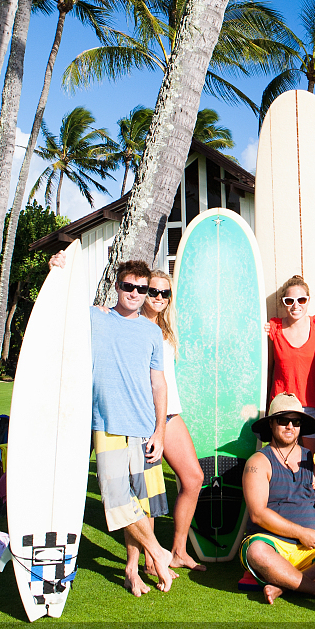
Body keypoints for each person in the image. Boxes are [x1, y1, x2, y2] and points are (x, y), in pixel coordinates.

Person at [52, 251, 175, 597]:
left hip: (143, 425)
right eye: (128, 286)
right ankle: (159, 553)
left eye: (141, 288)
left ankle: (132, 570)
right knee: (118, 500)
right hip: (106, 424)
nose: (135, 293)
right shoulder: (95, 317)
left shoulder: (152, 333)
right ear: (117, 286)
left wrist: (160, 432)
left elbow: (158, 384)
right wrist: (58, 268)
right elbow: (59, 306)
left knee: (140, 502)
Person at [241, 394, 315, 604]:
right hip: (272, 545)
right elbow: (257, 514)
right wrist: (301, 532)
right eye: (283, 420)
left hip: (310, 548)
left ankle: (285, 584)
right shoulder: (259, 461)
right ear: (271, 423)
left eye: (295, 421)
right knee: (256, 552)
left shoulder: (312, 460)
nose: (290, 426)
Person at [141, 270, 205, 571]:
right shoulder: (134, 326)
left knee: (193, 478)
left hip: (171, 412)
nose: (159, 298)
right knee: (149, 491)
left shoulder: (165, 330)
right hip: (145, 415)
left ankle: (179, 550)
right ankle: (152, 557)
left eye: (165, 293)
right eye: (154, 291)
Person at [267, 276, 315, 450]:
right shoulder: (274, 329)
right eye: (290, 300)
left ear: (308, 301)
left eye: (301, 299)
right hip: (282, 407)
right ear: (283, 302)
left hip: (314, 408)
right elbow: (268, 371)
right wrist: (265, 408)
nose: (296, 305)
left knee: (314, 468)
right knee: (283, 467)